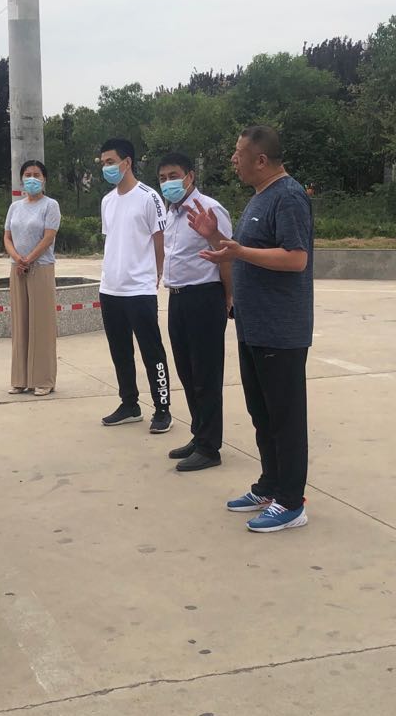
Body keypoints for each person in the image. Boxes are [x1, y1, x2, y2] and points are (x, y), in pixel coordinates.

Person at [188, 126, 314, 533]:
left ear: (261, 160)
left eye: (238, 152)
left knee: (285, 418)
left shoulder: (289, 196)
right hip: (254, 325)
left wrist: (240, 251)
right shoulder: (261, 196)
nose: (233, 159)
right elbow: (245, 252)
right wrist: (216, 236)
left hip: (281, 329)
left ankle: (291, 502)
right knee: (262, 414)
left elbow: (296, 259)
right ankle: (270, 487)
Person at [158, 152, 233, 473]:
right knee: (187, 372)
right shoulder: (171, 213)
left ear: (190, 176)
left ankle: (209, 447)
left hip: (204, 297)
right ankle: (199, 433)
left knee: (206, 375)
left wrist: (228, 296)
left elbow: (226, 254)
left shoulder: (210, 209)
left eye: (173, 176)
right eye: (162, 178)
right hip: (177, 298)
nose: (168, 183)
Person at [97, 138, 172, 434]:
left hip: (139, 289)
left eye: (111, 162)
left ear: (127, 162)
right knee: (120, 351)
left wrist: (156, 273)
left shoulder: (149, 197)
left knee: (151, 351)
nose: (106, 167)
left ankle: (162, 407)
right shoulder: (107, 201)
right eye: (103, 163)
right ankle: (129, 404)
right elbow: (113, 239)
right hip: (110, 288)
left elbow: (159, 240)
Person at [4, 159, 60, 396]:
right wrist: (17, 258)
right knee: (20, 324)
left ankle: (43, 379)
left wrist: (28, 259)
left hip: (40, 268)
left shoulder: (50, 205)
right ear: (21, 179)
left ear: (44, 179)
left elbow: (48, 237)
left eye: (37, 175)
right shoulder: (15, 207)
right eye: (28, 175)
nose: (32, 179)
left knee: (41, 324)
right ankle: (20, 379)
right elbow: (7, 237)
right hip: (17, 269)